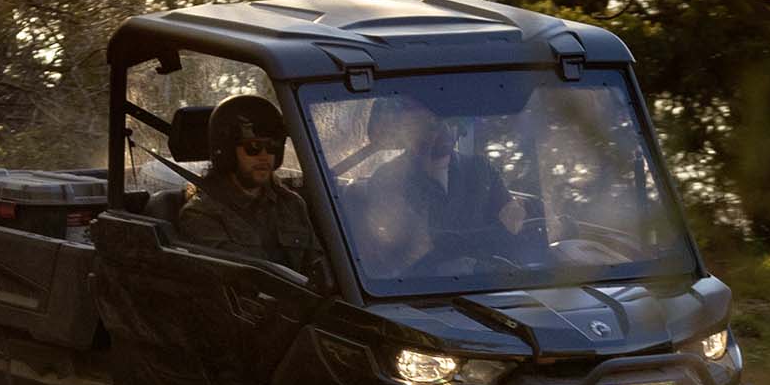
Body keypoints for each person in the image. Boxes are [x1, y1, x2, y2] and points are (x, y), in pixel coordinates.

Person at [336, 93, 517, 276]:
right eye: (433, 123)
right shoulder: (388, 177)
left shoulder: (480, 168)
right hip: (420, 288)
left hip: (486, 284)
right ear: (410, 129)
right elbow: (417, 244)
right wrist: (482, 239)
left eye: (450, 121)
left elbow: (512, 225)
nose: (445, 129)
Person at [177, 93, 317, 273]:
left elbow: (318, 269)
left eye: (272, 146)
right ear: (227, 151)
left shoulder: (292, 204)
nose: (264, 156)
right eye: (253, 147)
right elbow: (239, 283)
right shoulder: (201, 214)